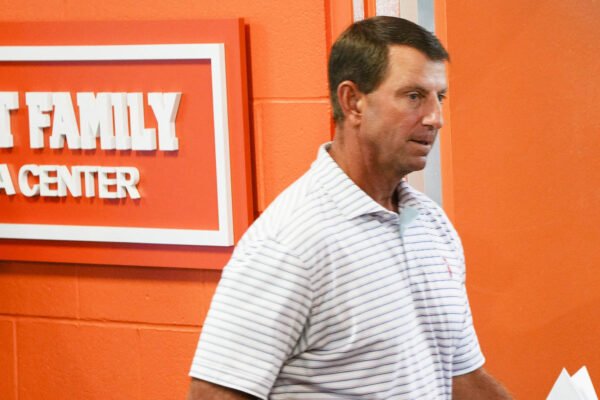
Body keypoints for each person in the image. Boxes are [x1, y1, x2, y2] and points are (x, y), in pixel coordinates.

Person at [187, 16, 512, 399]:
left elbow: (457, 376)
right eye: (413, 96)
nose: (434, 118)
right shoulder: (290, 241)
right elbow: (212, 394)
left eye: (438, 97)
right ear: (353, 101)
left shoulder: (432, 225)